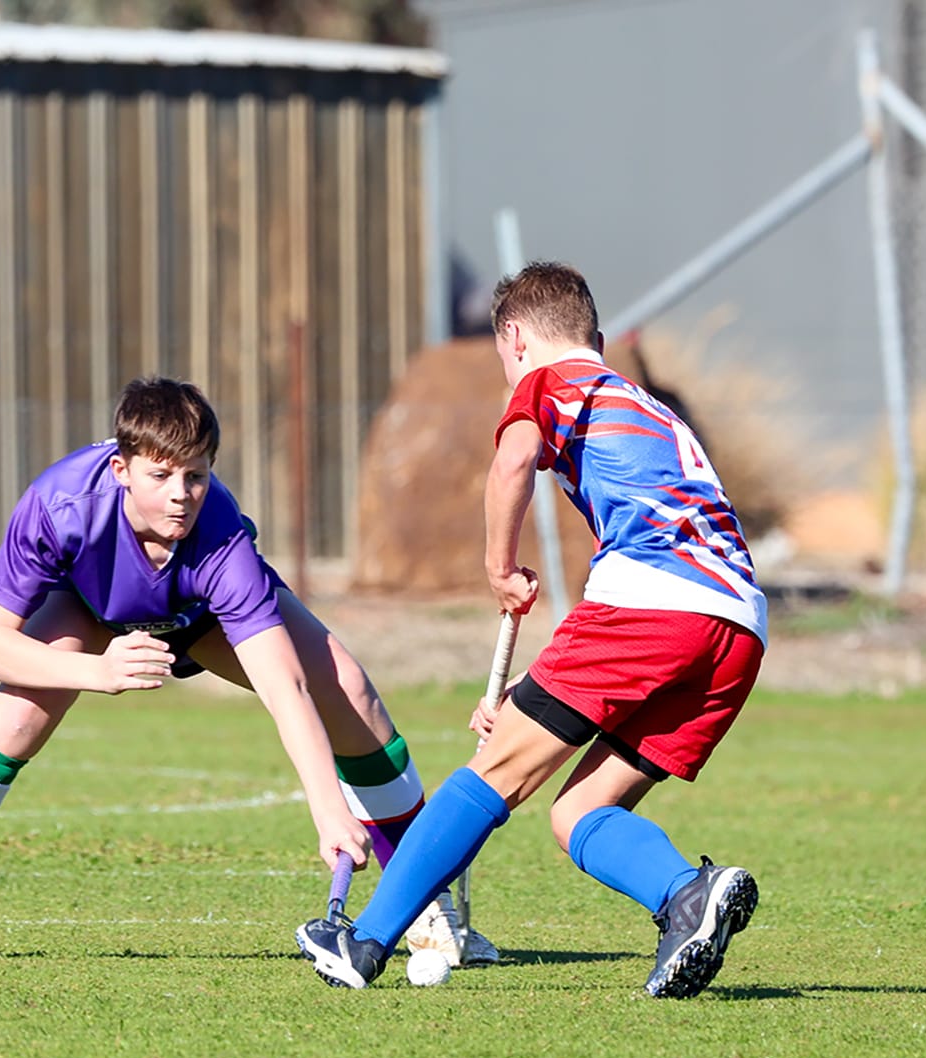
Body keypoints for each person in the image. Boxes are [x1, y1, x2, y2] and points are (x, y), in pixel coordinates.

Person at [0, 376, 496, 968]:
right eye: (161, 476)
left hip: (201, 619)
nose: (181, 495)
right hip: (91, 611)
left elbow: (283, 684)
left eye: (196, 475)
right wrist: (96, 671)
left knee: (349, 693)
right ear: (121, 468)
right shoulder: (60, 504)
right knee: (16, 716)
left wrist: (328, 811)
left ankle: (424, 906)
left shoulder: (219, 537)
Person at [295, 261, 767, 998]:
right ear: (598, 338)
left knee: (493, 777)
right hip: (735, 627)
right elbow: (643, 612)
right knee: (580, 809)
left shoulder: (548, 381)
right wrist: (528, 691)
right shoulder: (645, 403)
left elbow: (514, 459)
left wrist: (498, 567)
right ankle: (685, 896)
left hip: (652, 604)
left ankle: (362, 943)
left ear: (512, 338)